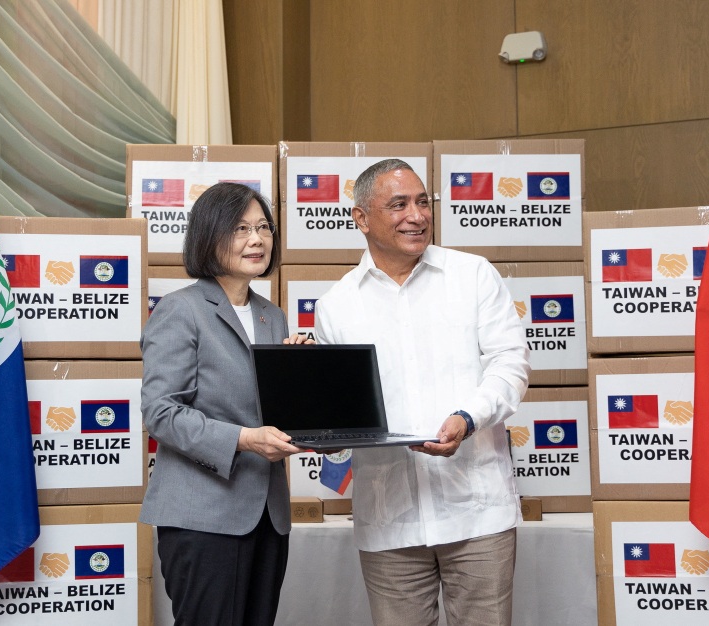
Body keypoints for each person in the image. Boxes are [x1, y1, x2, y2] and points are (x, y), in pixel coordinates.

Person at [314, 159, 531, 626]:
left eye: (422, 201)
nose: (416, 215)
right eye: (398, 204)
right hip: (389, 519)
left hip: (478, 515)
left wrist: (466, 418)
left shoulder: (473, 275)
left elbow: (510, 365)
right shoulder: (336, 306)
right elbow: (339, 413)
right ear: (361, 218)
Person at [140, 182, 309, 626]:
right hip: (203, 517)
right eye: (239, 228)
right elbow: (160, 411)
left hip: (268, 517)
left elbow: (273, 414)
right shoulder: (181, 310)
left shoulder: (273, 316)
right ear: (209, 236)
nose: (257, 239)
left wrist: (302, 381)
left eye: (263, 228)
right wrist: (244, 440)